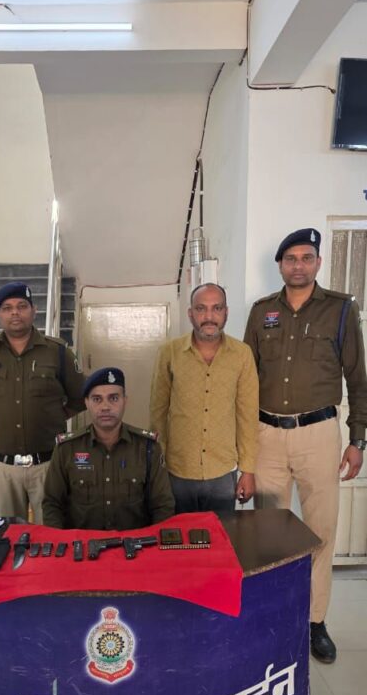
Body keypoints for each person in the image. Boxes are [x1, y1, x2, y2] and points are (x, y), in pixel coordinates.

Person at [244, 227, 367, 664]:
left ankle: (315, 622)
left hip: (319, 434)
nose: (299, 265)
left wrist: (358, 439)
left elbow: (358, 378)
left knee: (321, 532)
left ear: (318, 263)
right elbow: (246, 380)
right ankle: (272, 616)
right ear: (280, 264)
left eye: (307, 257)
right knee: (267, 531)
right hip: (267, 435)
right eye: (291, 258)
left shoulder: (341, 309)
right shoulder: (261, 312)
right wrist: (244, 449)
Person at [0, 280, 85, 522]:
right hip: (3, 469)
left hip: (48, 465)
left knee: (51, 533)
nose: (15, 313)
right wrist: (2, 414)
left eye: (22, 306)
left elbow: (80, 398)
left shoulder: (57, 351)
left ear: (34, 310)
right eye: (7, 308)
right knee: (8, 535)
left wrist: (52, 416)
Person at [149, 283, 259, 514]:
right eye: (201, 308)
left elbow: (247, 415)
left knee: (220, 533)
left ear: (226, 312)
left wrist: (248, 470)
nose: (209, 317)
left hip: (223, 472)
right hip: (178, 471)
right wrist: (157, 468)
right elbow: (158, 413)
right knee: (178, 535)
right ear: (190, 313)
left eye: (216, 308)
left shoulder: (242, 355)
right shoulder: (169, 353)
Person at [42, 367, 175, 529]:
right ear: (86, 403)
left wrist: (156, 540)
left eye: (113, 398)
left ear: (125, 401)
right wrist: (60, 541)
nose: (105, 406)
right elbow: (52, 504)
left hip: (135, 542)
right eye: (97, 399)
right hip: (82, 543)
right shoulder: (67, 449)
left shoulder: (147, 448)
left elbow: (163, 505)